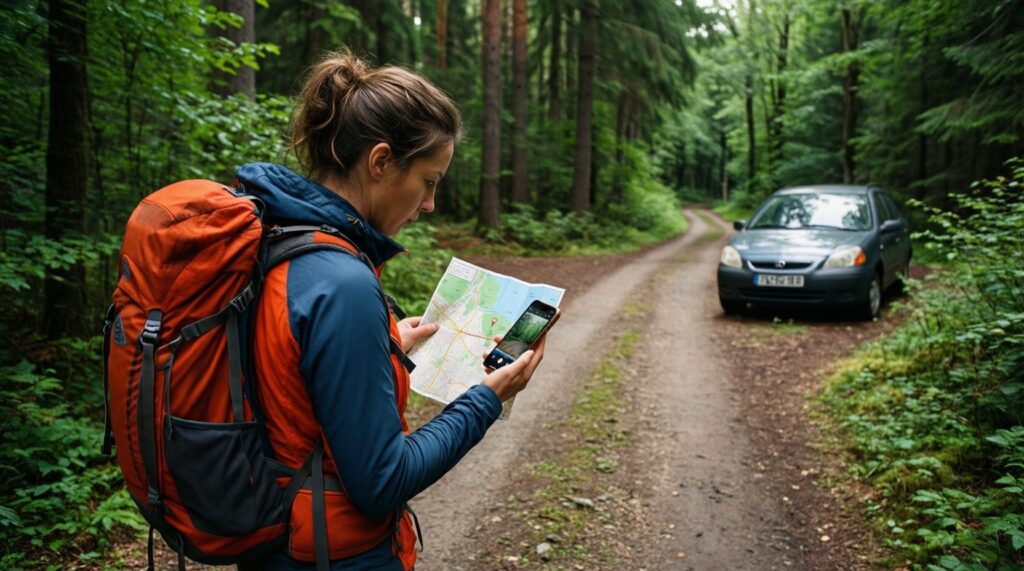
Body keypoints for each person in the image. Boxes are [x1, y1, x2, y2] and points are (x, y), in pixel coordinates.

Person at [237, 50, 547, 570]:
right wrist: (486, 399)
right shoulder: (343, 283)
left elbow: (284, 371)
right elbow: (382, 482)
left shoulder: (280, 238)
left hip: (276, 542)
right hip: (337, 556)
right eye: (429, 181)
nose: (429, 204)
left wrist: (384, 345)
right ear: (380, 162)